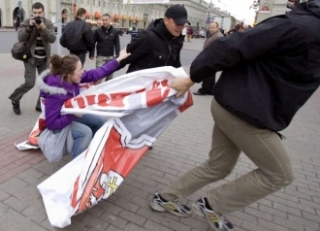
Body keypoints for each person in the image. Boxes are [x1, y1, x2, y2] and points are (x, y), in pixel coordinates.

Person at [150, 0, 320, 230]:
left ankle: (164, 198)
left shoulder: (306, 27)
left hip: (239, 106)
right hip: (245, 113)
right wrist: (192, 78)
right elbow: (229, 46)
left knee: (218, 166)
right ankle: (213, 204)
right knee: (279, 174)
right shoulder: (303, 27)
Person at [36, 48, 131, 159]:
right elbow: (52, 124)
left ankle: (91, 153)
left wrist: (118, 59)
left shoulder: (71, 78)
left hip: (70, 113)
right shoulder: (55, 94)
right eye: (80, 70)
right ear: (69, 75)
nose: (83, 72)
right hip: (59, 123)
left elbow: (96, 73)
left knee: (99, 120)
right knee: (85, 132)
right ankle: (76, 167)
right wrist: (72, 115)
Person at [9, 2, 56, 115]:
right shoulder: (27, 22)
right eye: (35, 13)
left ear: (43, 12)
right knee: (30, 83)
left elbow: (52, 39)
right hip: (30, 58)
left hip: (44, 59)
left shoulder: (48, 23)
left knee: (46, 82)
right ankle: (15, 98)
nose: (37, 15)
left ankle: (40, 104)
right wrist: (30, 27)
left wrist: (43, 28)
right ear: (32, 12)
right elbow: (20, 38)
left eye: (39, 13)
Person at [119, 4, 188, 74]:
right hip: (137, 83)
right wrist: (107, 71)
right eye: (178, 23)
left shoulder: (177, 41)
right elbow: (121, 60)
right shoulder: (147, 37)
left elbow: (175, 64)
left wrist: (182, 77)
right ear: (166, 20)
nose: (181, 27)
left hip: (160, 83)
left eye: (183, 24)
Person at [193, 22, 223, 96]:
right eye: (210, 27)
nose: (211, 29)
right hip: (211, 58)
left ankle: (203, 90)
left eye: (213, 27)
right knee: (211, 74)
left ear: (217, 28)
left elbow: (216, 49)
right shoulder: (214, 35)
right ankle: (211, 90)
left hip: (212, 58)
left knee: (206, 74)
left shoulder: (218, 36)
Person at [89, 13, 120, 84]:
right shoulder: (98, 31)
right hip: (100, 57)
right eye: (103, 20)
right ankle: (96, 92)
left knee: (109, 77)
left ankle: (106, 92)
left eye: (106, 20)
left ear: (110, 20)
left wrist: (118, 56)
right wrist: (91, 54)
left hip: (110, 57)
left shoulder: (115, 31)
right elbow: (93, 43)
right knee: (98, 76)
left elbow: (117, 44)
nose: (105, 22)